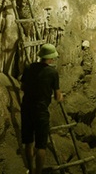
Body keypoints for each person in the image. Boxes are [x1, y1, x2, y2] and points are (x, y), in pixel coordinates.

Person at [20, 43, 62, 174]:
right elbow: (57, 96)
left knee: (28, 142)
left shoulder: (28, 68)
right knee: (41, 145)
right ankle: (38, 172)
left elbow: (22, 87)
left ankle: (31, 169)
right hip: (41, 111)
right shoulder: (53, 73)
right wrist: (60, 96)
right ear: (51, 58)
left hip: (26, 109)